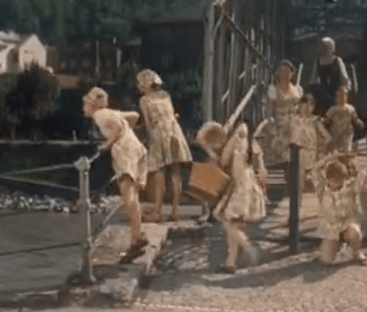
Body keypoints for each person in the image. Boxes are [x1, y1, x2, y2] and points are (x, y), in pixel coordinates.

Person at [82, 87, 149, 262]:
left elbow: (118, 127)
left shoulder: (99, 115)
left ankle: (137, 239)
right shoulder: (111, 112)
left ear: (92, 104)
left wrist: (108, 144)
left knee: (128, 195)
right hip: (137, 148)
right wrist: (128, 133)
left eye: (85, 103)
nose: (83, 107)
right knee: (133, 194)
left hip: (125, 151)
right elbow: (134, 116)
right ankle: (137, 236)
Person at [195, 119, 269, 273]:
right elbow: (258, 156)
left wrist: (211, 152)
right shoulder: (247, 140)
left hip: (239, 187)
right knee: (234, 224)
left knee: (228, 223)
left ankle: (248, 247)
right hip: (247, 184)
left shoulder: (234, 141)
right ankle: (231, 262)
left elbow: (223, 160)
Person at [136, 69, 193, 223]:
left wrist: (149, 141)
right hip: (174, 132)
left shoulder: (144, 100)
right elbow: (172, 114)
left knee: (159, 173)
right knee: (175, 172)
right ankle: (175, 211)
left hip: (159, 133)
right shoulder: (166, 95)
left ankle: (157, 211)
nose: (138, 86)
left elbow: (148, 122)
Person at [310, 152, 367, 266]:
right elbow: (315, 170)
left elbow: (362, 175)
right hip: (332, 229)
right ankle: (334, 247)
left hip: (347, 223)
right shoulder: (321, 189)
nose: (337, 185)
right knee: (326, 260)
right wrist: (329, 158)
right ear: (328, 179)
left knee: (355, 232)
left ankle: (356, 252)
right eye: (334, 182)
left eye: (340, 182)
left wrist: (356, 164)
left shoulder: (349, 188)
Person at [263, 61, 304, 184]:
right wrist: (270, 125)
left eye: (287, 71)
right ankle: (283, 177)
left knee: (297, 152)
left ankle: (295, 180)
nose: (285, 74)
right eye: (282, 71)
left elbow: (301, 109)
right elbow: (269, 112)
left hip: (294, 124)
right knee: (280, 151)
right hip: (280, 125)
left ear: (292, 73)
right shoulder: (273, 90)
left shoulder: (297, 90)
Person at [292, 94, 331, 193]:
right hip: (299, 154)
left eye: (308, 106)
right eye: (303, 106)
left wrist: (321, 150)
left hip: (312, 153)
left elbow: (327, 138)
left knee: (318, 179)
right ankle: (298, 196)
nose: (305, 109)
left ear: (312, 107)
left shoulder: (315, 121)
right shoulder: (294, 120)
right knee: (298, 181)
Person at [310, 37, 351, 115]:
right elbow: (313, 79)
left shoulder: (337, 61)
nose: (325, 50)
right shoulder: (318, 62)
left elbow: (344, 77)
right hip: (324, 92)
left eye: (326, 47)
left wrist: (346, 87)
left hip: (336, 90)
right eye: (323, 47)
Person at [324, 85, 364, 153]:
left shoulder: (351, 108)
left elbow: (355, 119)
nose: (343, 97)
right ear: (337, 97)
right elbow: (326, 120)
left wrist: (359, 122)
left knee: (346, 151)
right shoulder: (333, 109)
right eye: (340, 96)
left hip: (346, 134)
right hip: (335, 134)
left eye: (344, 95)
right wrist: (323, 122)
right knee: (335, 152)